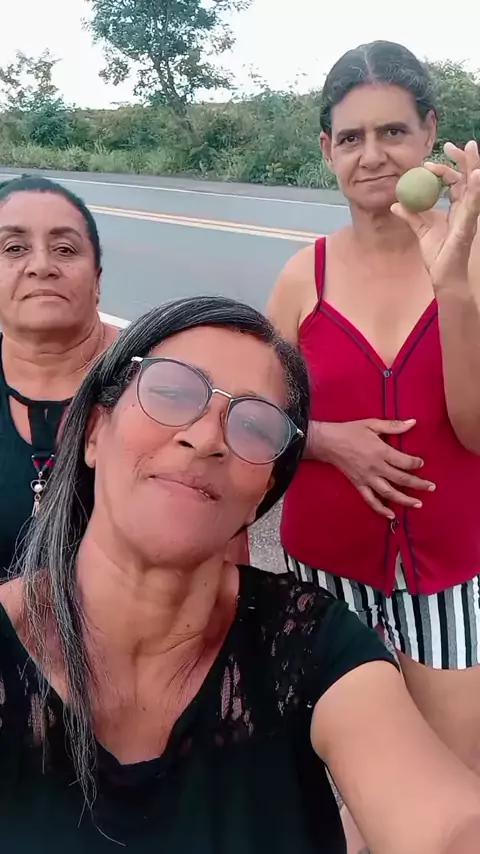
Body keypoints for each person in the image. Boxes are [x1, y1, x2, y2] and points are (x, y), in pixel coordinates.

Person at [1, 294, 480, 852]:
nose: (206, 439)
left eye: (254, 424)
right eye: (171, 392)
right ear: (91, 432)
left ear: (263, 494)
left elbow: (445, 825)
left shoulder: (310, 644)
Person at [267, 40, 480, 785]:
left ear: (430, 132)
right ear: (328, 150)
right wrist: (324, 440)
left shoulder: (474, 261)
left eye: (394, 131)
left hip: (446, 574)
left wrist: (454, 287)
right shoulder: (304, 275)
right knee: (341, 779)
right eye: (352, 137)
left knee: (456, 782)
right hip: (323, 568)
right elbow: (257, 416)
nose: (374, 155)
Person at [0, 175, 118, 576]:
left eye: (65, 249)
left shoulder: (156, 383)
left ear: (97, 280)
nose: (41, 267)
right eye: (14, 248)